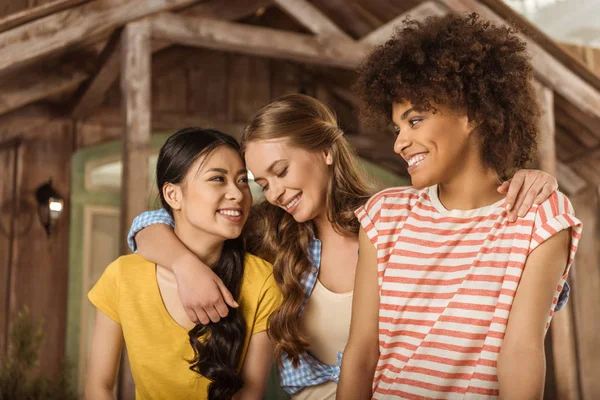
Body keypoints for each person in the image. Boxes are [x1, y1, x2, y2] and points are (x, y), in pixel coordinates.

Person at [125, 94, 560, 398]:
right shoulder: (266, 236)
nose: (274, 192)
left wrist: (532, 183)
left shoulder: (395, 222)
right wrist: (184, 264)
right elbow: (149, 224)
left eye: (281, 170)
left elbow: (510, 291)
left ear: (327, 151)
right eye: (262, 183)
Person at [337, 14, 582, 399]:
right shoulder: (384, 216)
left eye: (415, 120)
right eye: (397, 128)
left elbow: (520, 352)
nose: (400, 143)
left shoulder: (540, 218)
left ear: (473, 114)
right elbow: (361, 353)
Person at [85, 128, 281, 400]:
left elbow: (250, 393)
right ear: (173, 195)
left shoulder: (263, 281)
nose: (237, 194)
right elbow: (98, 387)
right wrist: (185, 266)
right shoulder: (122, 276)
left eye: (242, 180)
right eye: (217, 179)